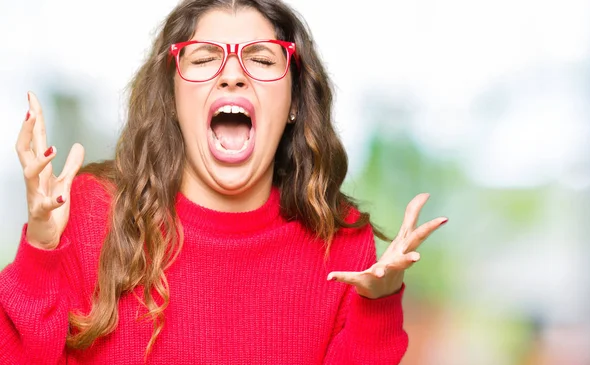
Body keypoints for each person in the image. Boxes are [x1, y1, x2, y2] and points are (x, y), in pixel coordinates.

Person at [0, 0, 447, 364]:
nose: (232, 74)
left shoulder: (343, 244)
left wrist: (380, 303)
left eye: (261, 59)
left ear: (293, 102)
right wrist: (40, 254)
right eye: (204, 58)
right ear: (174, 100)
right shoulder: (93, 210)